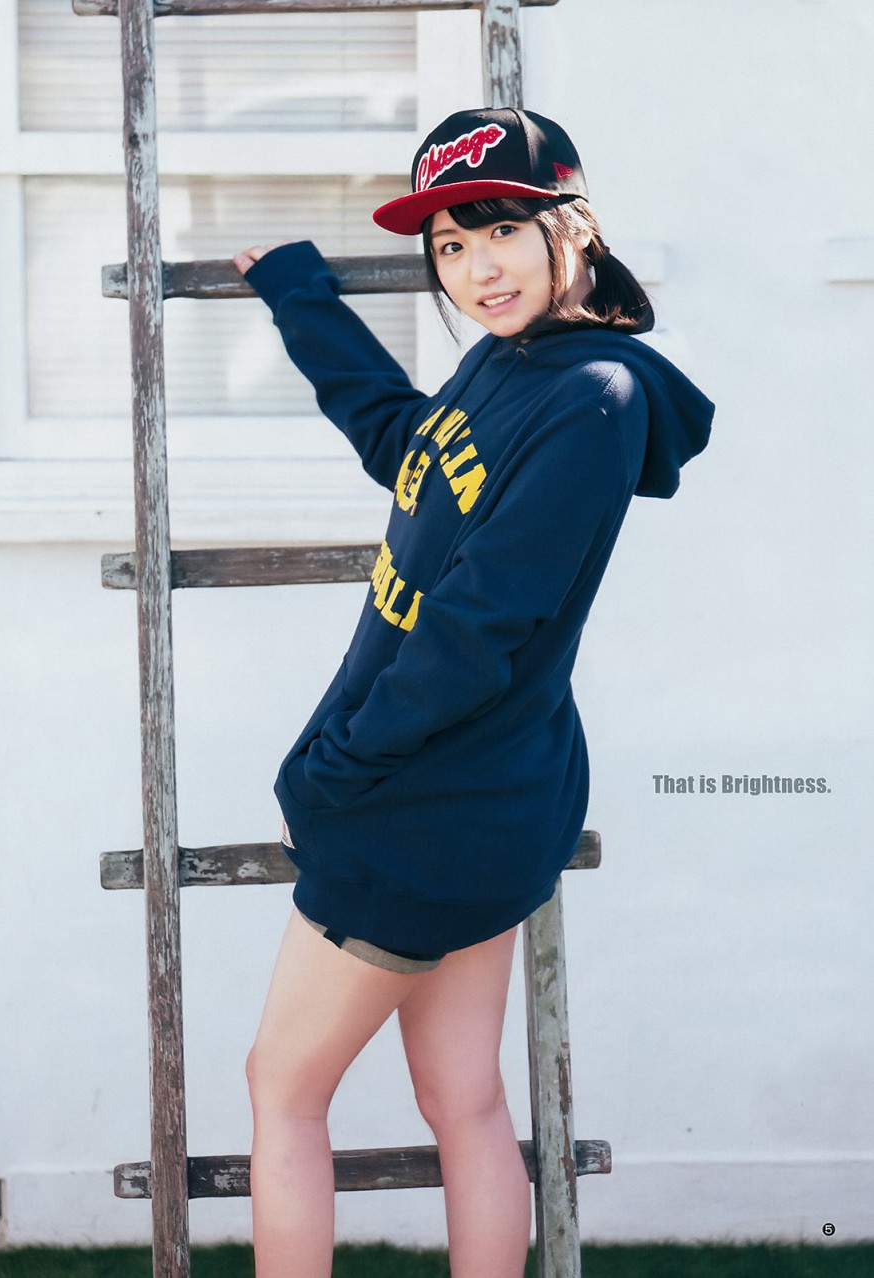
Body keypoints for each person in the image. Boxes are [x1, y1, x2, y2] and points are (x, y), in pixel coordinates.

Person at [233, 106, 714, 1277]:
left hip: (416, 805)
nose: (476, 268)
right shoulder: (508, 366)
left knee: (282, 1091)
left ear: (572, 229)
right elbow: (407, 447)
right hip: (480, 795)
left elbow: (481, 622)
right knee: (465, 1100)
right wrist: (301, 297)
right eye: (449, 245)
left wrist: (340, 768)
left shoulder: (589, 397)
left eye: (500, 230)